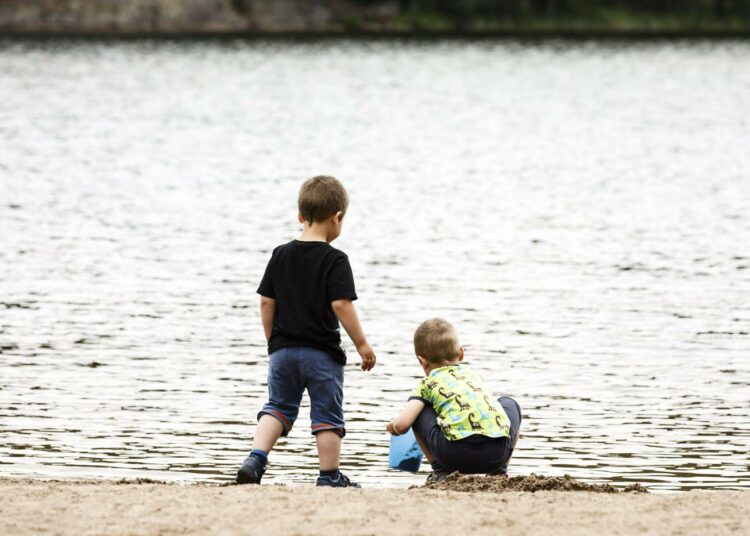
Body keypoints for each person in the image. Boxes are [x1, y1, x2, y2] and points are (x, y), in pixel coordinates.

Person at [237, 175, 377, 487]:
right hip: (321, 355)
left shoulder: (280, 254)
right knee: (327, 414)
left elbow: (265, 302)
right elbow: (341, 304)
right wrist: (362, 344)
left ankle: (255, 459)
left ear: (300, 216)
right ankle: (329, 476)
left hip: (283, 351)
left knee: (277, 407)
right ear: (337, 218)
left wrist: (273, 341)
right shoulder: (335, 259)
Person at [387, 318, 521, 482]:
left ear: (422, 361)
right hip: (496, 453)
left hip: (454, 455)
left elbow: (402, 425)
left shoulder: (426, 384)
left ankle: (440, 471)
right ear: (461, 353)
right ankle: (499, 472)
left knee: (419, 410)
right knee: (509, 403)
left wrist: (392, 426)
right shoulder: (474, 375)